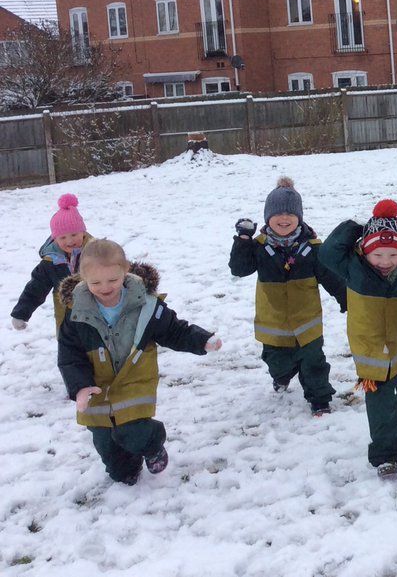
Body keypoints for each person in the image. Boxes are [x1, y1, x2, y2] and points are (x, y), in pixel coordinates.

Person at [57, 240, 221, 485]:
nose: (105, 288)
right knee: (110, 451)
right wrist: (80, 387)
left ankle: (153, 443)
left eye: (112, 280)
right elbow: (70, 355)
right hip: (97, 389)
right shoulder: (76, 313)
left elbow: (173, 330)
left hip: (134, 379)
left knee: (131, 430)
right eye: (95, 283)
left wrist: (202, 341)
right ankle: (126, 466)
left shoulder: (144, 304)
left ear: (125, 271)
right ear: (83, 279)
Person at [320, 199, 397, 477]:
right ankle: (386, 455)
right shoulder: (353, 266)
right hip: (371, 350)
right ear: (365, 251)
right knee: (380, 405)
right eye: (378, 255)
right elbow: (327, 253)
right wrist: (356, 227)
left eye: (393, 255)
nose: (385, 262)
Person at [229, 177, 346, 416]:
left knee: (313, 362)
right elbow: (239, 269)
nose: (284, 219)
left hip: (307, 322)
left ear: (299, 217)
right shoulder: (259, 246)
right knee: (277, 363)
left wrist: (348, 299)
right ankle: (282, 376)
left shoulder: (313, 248)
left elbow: (331, 278)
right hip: (273, 322)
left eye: (290, 214)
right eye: (278, 214)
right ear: (267, 217)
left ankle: (320, 399)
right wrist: (243, 241)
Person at [11, 193, 94, 332]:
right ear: (54, 238)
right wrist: (21, 313)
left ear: (83, 232)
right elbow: (35, 289)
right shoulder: (50, 263)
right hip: (66, 324)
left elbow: (117, 273)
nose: (69, 241)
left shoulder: (97, 253)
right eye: (62, 237)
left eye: (74, 234)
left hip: (97, 320)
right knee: (70, 351)